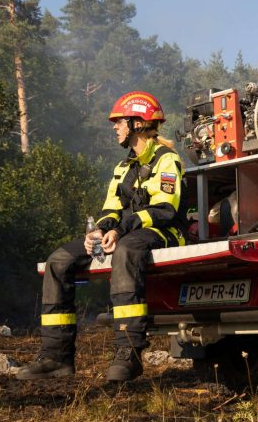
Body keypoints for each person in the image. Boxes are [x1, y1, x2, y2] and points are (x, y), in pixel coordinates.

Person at [18, 91, 186, 383]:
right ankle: (55, 357)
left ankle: (128, 354)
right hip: (124, 234)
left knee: (126, 251)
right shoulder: (123, 167)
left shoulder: (167, 160)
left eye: (119, 121)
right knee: (58, 261)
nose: (115, 127)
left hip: (163, 232)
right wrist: (100, 229)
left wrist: (120, 231)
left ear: (137, 122)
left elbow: (165, 209)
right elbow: (111, 207)